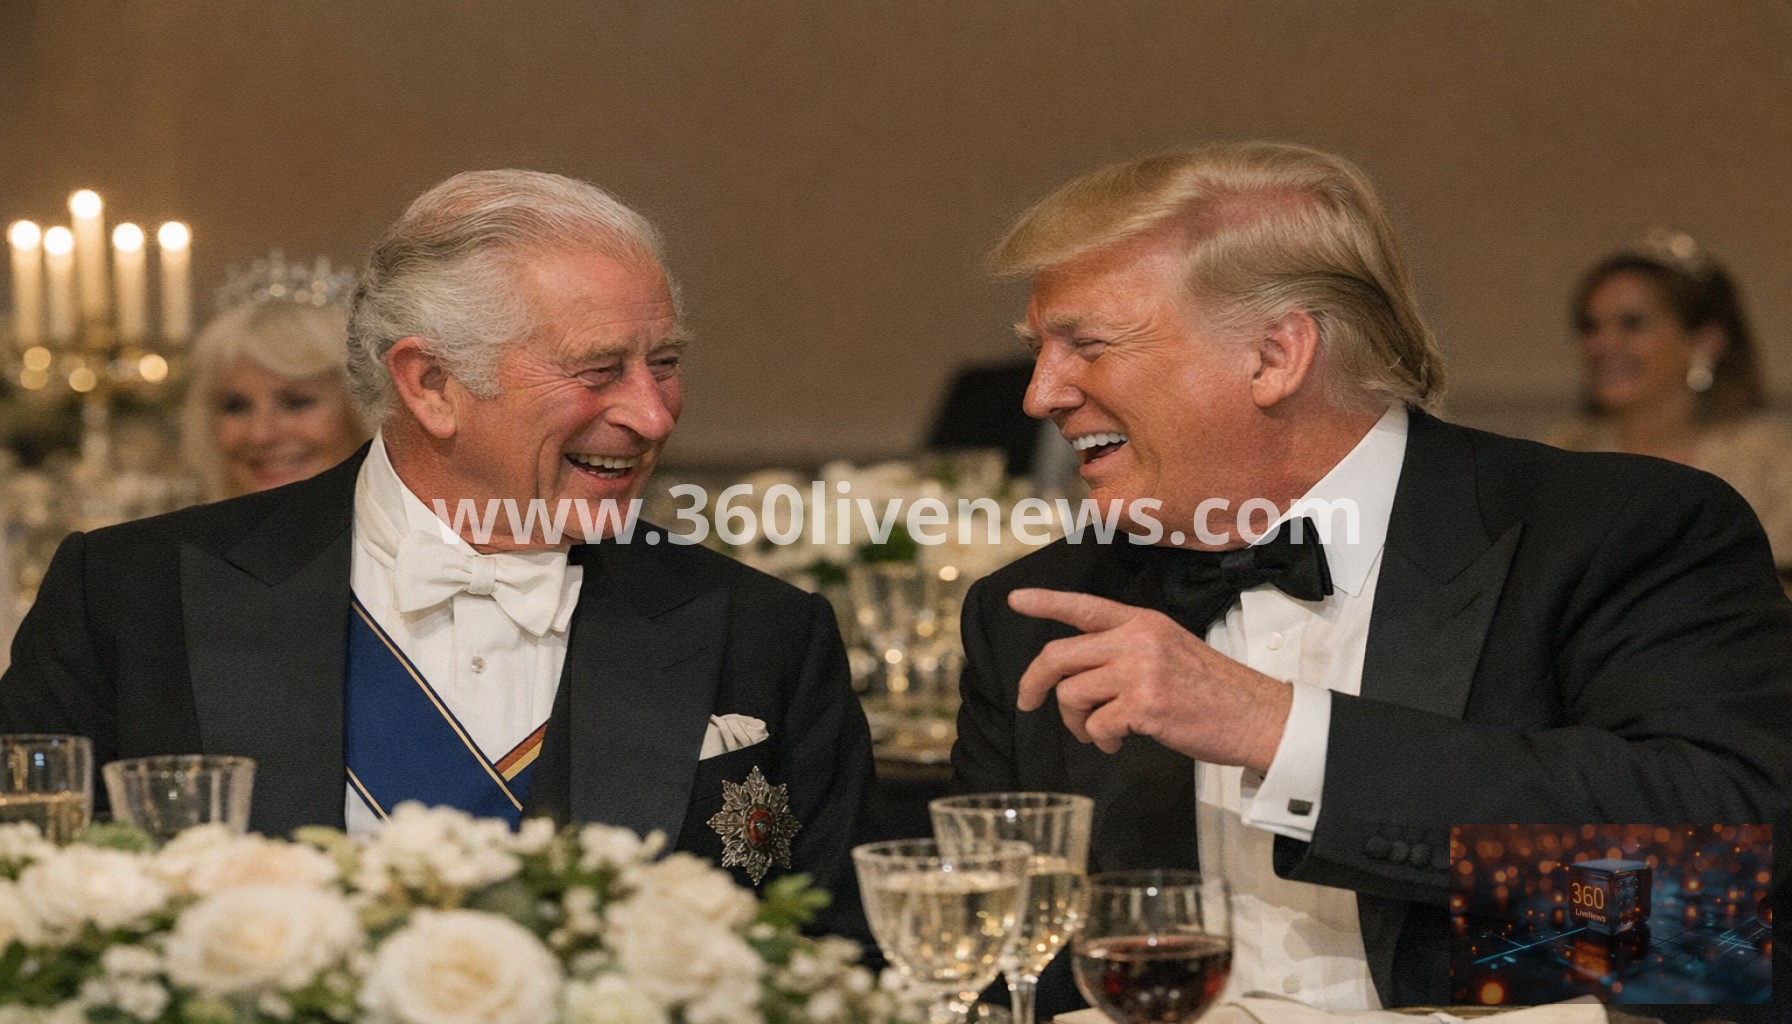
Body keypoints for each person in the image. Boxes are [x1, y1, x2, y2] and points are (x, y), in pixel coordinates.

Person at [949, 142, 1792, 1011]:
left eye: (1086, 345)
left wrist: (1282, 731)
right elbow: (1010, 970)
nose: (1041, 394)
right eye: (1039, 349)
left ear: (1276, 355)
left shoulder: (1615, 534)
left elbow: (1727, 888)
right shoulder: (1035, 614)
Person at [0, 170, 876, 913]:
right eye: (598, 369)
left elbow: (837, 953)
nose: (652, 414)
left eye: (667, 364)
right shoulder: (129, 598)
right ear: (431, 384)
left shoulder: (764, 632)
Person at [1546, 232, 1792, 572]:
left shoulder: (1772, 465)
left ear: (1706, 341)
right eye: (1590, 327)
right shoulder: (1561, 456)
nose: (1603, 344)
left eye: (1632, 324)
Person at [180, 262, 373, 501]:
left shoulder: (428, 530)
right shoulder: (181, 537)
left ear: (365, 410)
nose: (260, 434)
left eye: (296, 403)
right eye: (236, 407)